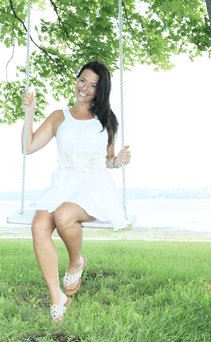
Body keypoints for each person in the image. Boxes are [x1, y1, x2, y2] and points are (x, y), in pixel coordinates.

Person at [21, 60, 131, 323]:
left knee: (63, 216)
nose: (84, 88)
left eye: (92, 85)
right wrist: (29, 113)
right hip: (63, 183)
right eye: (82, 80)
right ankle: (57, 296)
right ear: (77, 79)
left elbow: (107, 159)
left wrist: (118, 161)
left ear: (99, 91)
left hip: (94, 186)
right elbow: (28, 147)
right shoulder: (60, 116)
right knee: (38, 227)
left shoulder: (106, 119)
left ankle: (75, 263)